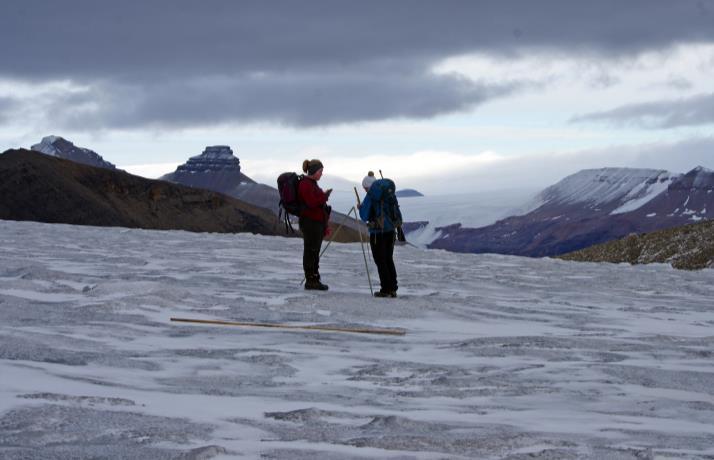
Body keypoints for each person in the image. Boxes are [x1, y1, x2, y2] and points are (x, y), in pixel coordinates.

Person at [359, 171, 401, 298]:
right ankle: (393, 288)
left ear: (368, 186)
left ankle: (386, 289)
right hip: (390, 231)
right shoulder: (388, 194)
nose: (365, 190)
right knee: (388, 259)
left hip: (378, 233)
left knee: (380, 260)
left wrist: (360, 207)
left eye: (365, 188)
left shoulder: (372, 195)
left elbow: (364, 216)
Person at [298, 159, 332, 290]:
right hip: (310, 223)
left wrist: (323, 196)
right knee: (311, 251)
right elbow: (312, 203)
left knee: (314, 252)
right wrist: (324, 196)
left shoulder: (311, 183)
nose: (321, 174)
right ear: (313, 171)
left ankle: (314, 279)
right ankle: (311, 280)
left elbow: (314, 201)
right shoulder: (306, 184)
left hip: (315, 222)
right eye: (320, 171)